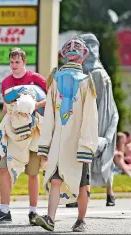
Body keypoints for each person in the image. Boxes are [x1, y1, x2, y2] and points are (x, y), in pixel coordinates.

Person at [35, 37, 99, 232]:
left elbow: (90, 116)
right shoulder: (55, 80)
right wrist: (45, 144)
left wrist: (86, 145)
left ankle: (81, 220)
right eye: (69, 49)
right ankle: (50, 219)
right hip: (58, 143)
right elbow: (50, 117)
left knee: (81, 185)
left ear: (83, 56)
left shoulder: (87, 82)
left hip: (78, 143)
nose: (72, 52)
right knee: (55, 179)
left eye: (76, 49)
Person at [0, 48, 47, 225]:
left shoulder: (37, 79)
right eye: (12, 62)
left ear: (24, 62)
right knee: (4, 169)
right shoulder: (6, 82)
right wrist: (1, 132)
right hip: (13, 133)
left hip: (35, 132)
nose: (14, 66)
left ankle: (33, 213)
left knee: (33, 173)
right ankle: (4, 211)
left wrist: (33, 106)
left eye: (17, 62)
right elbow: (7, 107)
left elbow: (52, 99)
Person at [70, 33, 120, 208]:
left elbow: (92, 100)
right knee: (102, 156)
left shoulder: (94, 73)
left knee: (86, 155)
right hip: (105, 118)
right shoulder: (101, 71)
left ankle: (82, 195)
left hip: (95, 119)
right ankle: (109, 194)